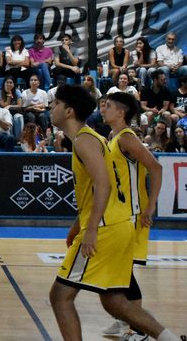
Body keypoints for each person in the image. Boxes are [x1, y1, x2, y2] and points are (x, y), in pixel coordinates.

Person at [49, 84, 182, 341]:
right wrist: (78, 225)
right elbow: (94, 190)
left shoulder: (86, 140)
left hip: (106, 227)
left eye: (55, 104)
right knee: (114, 300)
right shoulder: (97, 138)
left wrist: (89, 230)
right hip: (117, 224)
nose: (50, 108)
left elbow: (104, 185)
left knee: (60, 297)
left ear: (68, 111)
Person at [101, 92, 166, 340]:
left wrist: (150, 207)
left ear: (122, 113)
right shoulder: (114, 138)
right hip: (118, 213)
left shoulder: (127, 138)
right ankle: (123, 319)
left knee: (123, 272)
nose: (104, 109)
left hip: (131, 214)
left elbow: (156, 167)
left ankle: (139, 329)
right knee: (118, 271)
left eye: (108, 107)